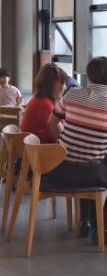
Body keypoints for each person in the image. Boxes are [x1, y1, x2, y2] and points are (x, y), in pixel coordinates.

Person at [47, 57, 107, 234]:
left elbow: (51, 122)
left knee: (89, 155)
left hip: (60, 170)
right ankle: (102, 227)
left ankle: (85, 222)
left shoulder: (72, 94)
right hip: (92, 175)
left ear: (89, 75)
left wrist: (63, 143)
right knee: (96, 159)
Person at [21, 64, 67, 143]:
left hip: (33, 147)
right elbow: (60, 138)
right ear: (52, 84)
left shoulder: (39, 99)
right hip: (39, 149)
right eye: (62, 83)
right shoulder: (45, 105)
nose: (65, 87)